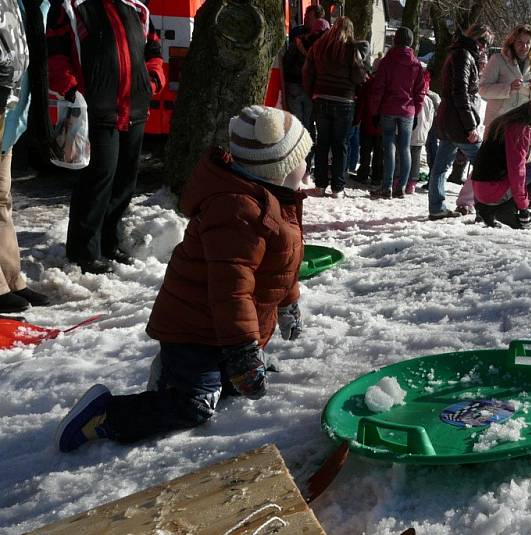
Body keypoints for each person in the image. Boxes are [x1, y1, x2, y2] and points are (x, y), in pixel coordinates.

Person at [55, 106, 312, 452]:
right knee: (195, 405)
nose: (306, 167)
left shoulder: (276, 201)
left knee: (229, 387)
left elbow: (280, 265)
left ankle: (209, 372)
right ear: (276, 169)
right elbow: (231, 290)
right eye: (301, 159)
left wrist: (287, 301)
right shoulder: (238, 212)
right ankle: (105, 415)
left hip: (222, 327)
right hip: (195, 330)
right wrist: (242, 352)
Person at [46, 0, 165, 274]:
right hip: (96, 109)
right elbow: (55, 54)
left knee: (125, 180)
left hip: (135, 107)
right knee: (98, 178)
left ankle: (108, 242)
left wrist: (153, 79)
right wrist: (70, 89)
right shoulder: (70, 8)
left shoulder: (136, 8)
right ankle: (83, 252)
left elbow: (153, 49)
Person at [0, 0, 51, 314]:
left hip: (9, 115)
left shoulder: (21, 4)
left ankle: (10, 275)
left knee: (3, 200)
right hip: (3, 106)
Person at [427, 23, 494, 220]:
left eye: (487, 44)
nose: (484, 47)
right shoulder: (464, 55)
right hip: (459, 122)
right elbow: (461, 93)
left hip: (448, 120)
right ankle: (483, 209)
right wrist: (470, 126)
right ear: (475, 37)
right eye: (483, 41)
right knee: (483, 162)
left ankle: (436, 208)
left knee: (439, 168)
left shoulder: (459, 52)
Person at [472, 90, 531, 229]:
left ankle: (490, 210)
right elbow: (517, 169)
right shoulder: (521, 128)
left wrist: (479, 203)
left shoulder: (509, 120)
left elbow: (482, 161)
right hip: (493, 190)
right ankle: (507, 210)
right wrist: (523, 207)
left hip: (482, 192)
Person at [302, 16, 367, 198]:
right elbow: (359, 77)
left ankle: (320, 185)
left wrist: (312, 93)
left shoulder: (319, 47)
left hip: (321, 99)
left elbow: (307, 72)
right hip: (344, 102)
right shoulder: (352, 50)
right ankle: (337, 187)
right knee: (340, 145)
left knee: (322, 143)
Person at [368, 26, 426, 199]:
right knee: (405, 148)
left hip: (388, 109)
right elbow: (420, 92)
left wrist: (374, 110)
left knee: (389, 148)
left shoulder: (387, 61)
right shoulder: (416, 65)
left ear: (395, 40)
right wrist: (417, 111)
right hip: (408, 110)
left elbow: (378, 88)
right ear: (411, 42)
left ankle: (387, 186)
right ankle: (401, 186)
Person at [479, 24, 531, 129]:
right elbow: (482, 89)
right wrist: (509, 88)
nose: (524, 46)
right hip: (498, 123)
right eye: (520, 42)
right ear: (512, 42)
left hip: (522, 123)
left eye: (528, 43)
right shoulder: (497, 59)